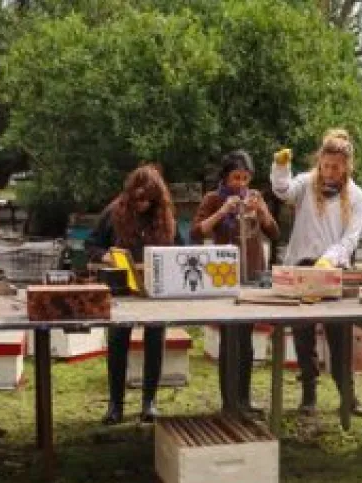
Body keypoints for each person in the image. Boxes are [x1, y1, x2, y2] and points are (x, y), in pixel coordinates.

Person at [270, 128, 362, 416]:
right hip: (301, 267)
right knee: (303, 337)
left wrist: (329, 259)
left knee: (339, 337)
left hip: (334, 271)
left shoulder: (357, 196)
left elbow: (351, 238)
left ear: (347, 166)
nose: (328, 172)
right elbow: (282, 190)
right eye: (324, 165)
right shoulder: (306, 183)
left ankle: (347, 397)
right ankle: (309, 397)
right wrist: (281, 166)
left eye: (335, 167)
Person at [86, 164, 184, 425]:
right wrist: (106, 255)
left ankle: (149, 402)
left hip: (155, 290)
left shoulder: (165, 216)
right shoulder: (114, 211)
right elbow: (91, 244)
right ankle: (115, 405)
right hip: (121, 290)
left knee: (155, 340)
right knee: (118, 342)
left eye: (147, 201)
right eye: (138, 199)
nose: (142, 205)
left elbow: (181, 249)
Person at [191, 150, 279, 415]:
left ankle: (245, 399)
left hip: (252, 276)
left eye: (245, 178)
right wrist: (222, 211)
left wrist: (262, 212)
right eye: (235, 177)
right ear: (225, 177)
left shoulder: (255, 198)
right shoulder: (213, 198)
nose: (240, 183)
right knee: (230, 340)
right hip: (224, 277)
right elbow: (196, 233)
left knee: (246, 340)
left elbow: (274, 232)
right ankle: (229, 402)